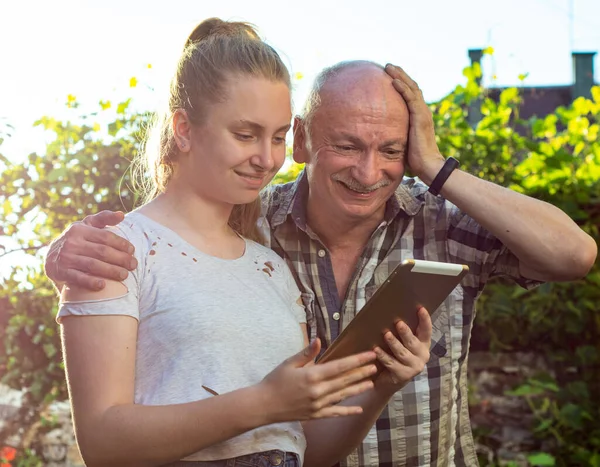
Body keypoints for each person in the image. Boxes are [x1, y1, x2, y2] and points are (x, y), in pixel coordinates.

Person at [46, 54, 598, 466]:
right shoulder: (250, 223)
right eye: (348, 145)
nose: (368, 172)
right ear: (306, 141)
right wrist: (61, 255)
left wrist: (433, 166)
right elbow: (170, 239)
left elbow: (573, 255)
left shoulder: (441, 222)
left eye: (390, 150)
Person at [53, 19, 433, 467]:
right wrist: (263, 403)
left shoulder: (271, 267)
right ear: (185, 128)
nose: (267, 159)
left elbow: (303, 450)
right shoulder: (112, 253)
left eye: (276, 138)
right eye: (245, 134)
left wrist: (383, 384)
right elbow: (103, 444)